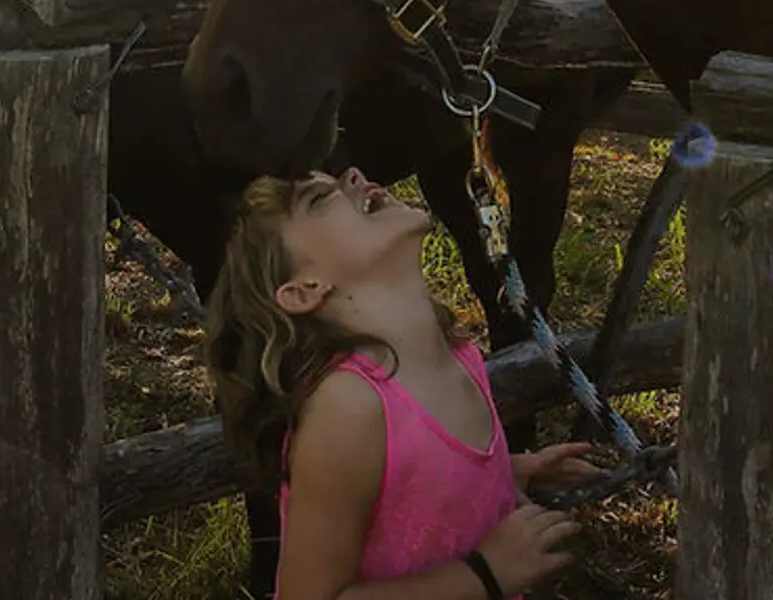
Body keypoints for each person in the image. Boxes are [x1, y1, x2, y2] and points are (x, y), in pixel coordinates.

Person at [207, 168, 599, 600]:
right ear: (304, 290)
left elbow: (413, 482)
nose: (354, 174)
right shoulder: (349, 406)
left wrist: (505, 474)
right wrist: (484, 575)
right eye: (319, 200)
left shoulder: (459, 355)